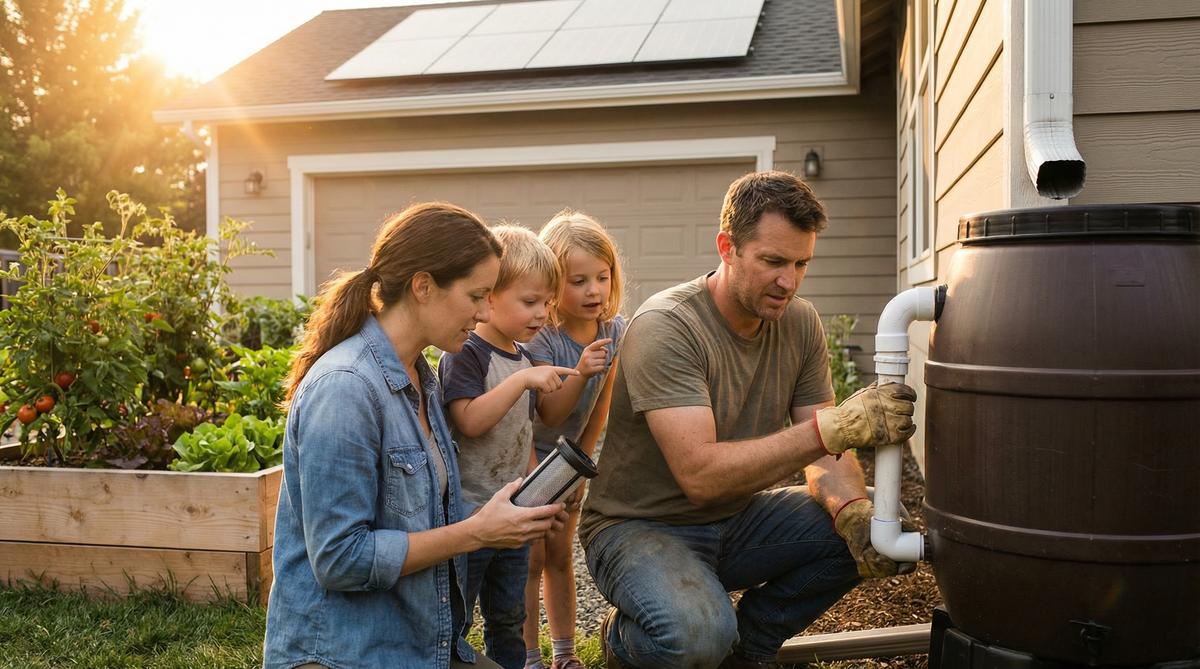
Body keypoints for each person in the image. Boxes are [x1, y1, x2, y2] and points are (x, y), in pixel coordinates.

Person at [578, 171, 918, 669]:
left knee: (887, 528)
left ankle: (747, 650)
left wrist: (850, 510)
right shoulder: (667, 327)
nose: (789, 280)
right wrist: (832, 428)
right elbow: (700, 477)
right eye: (773, 261)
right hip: (639, 528)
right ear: (727, 247)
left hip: (735, 520)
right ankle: (623, 642)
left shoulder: (799, 323)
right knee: (696, 636)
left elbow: (828, 452)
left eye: (802, 263)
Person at [263, 203, 567, 669]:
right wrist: (474, 533)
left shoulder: (422, 378)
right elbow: (340, 558)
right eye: (477, 296)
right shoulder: (345, 388)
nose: (487, 311)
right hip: (345, 655)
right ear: (423, 286)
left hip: (422, 645)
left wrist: (508, 518)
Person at [439, 225, 580, 669]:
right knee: (457, 617)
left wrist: (544, 492)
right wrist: (521, 381)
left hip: (514, 513)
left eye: (547, 302)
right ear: (490, 298)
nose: (542, 313)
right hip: (472, 514)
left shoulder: (524, 356)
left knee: (509, 615)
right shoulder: (466, 353)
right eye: (530, 301)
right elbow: (470, 421)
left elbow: (523, 437)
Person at [520, 211, 627, 669]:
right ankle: (527, 655)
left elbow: (600, 404)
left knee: (561, 555)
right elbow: (548, 411)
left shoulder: (613, 330)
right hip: (527, 460)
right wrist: (580, 372)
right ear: (551, 285)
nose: (594, 291)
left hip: (568, 461)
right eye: (578, 280)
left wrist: (580, 466)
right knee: (530, 558)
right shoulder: (542, 339)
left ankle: (564, 654)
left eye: (602, 277)